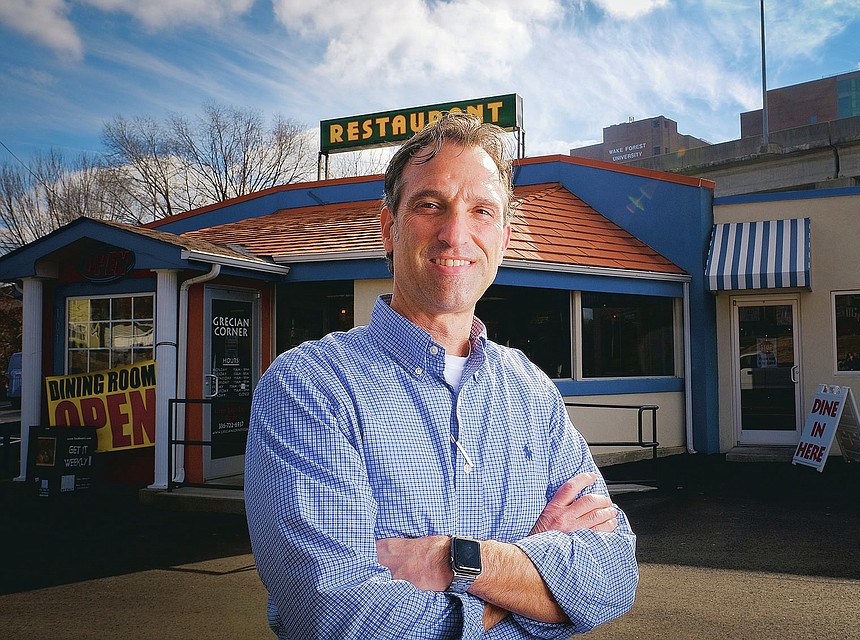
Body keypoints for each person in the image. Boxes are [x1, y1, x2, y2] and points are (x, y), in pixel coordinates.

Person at [244, 112, 638, 639]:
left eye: (481, 210)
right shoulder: (311, 386)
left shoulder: (531, 392)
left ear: (503, 235)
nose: (456, 233)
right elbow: (334, 617)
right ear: (389, 226)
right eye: (431, 205)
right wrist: (529, 581)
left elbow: (611, 579)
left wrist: (455, 560)